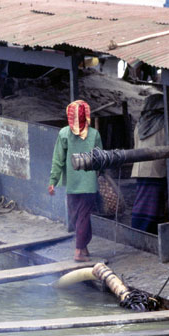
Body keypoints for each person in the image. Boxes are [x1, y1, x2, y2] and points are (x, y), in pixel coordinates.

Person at [48, 100, 102, 262]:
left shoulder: (64, 133)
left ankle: (81, 248)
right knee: (83, 216)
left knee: (77, 216)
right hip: (89, 183)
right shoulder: (94, 135)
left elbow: (58, 160)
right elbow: (100, 159)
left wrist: (53, 180)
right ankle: (80, 250)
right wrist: (98, 175)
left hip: (71, 184)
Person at [130, 94, 169, 234]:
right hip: (158, 170)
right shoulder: (166, 124)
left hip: (140, 169)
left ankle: (139, 230)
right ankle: (145, 233)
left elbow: (136, 145)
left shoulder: (139, 124)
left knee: (142, 203)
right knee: (154, 206)